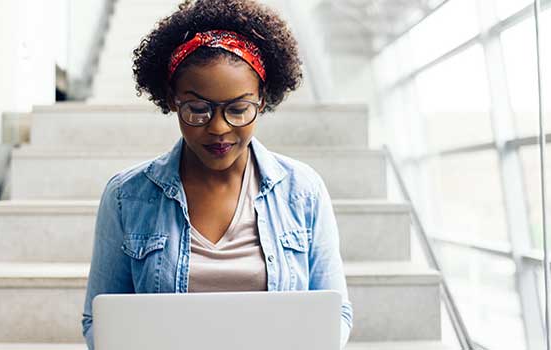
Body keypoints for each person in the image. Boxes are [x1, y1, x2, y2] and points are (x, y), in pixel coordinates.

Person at [81, 0, 352, 348]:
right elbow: (98, 322)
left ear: (262, 100)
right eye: (198, 109)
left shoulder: (303, 190)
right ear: (172, 100)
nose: (219, 128)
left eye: (239, 109)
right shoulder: (126, 196)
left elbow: (337, 313)